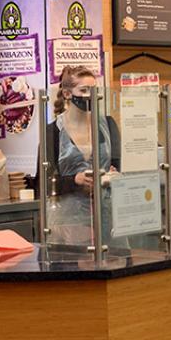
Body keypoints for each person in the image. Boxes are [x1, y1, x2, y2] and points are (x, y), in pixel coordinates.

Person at [49, 66, 121, 245]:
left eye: (94, 90)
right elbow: (42, 184)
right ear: (67, 94)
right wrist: (75, 180)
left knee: (114, 258)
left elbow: (119, 166)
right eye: (84, 90)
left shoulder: (108, 125)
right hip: (70, 221)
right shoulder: (52, 132)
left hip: (107, 215)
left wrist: (113, 175)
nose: (91, 95)